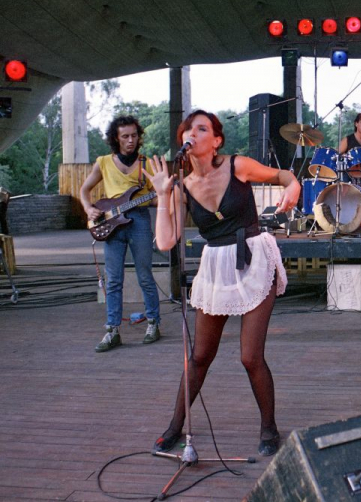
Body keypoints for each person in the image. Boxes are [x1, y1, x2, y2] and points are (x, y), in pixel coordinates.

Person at [146, 110, 300, 457]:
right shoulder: (180, 186)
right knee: (199, 356)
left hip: (254, 258)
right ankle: (175, 427)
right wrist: (160, 197)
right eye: (189, 129)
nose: (194, 133)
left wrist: (293, 184)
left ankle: (268, 427)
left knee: (250, 356)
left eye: (203, 129)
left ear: (216, 140)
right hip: (216, 265)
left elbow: (282, 175)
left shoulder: (237, 165)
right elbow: (166, 242)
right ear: (183, 141)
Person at [80, 115, 162, 352]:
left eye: (134, 136)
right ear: (116, 138)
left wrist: (158, 197)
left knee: (145, 274)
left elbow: (158, 197)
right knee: (113, 279)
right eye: (125, 136)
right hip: (111, 222)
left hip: (138, 220)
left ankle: (153, 323)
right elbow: (85, 190)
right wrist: (89, 208)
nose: (130, 140)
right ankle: (112, 330)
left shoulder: (146, 163)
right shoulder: (103, 162)